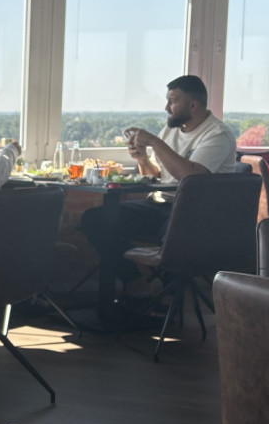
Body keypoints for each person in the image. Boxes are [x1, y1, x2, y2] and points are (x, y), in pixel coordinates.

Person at [79, 75, 238, 307]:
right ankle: (137, 283)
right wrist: (142, 158)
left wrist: (154, 141)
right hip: (162, 205)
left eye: (172, 101)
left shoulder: (217, 135)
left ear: (193, 105)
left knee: (170, 235)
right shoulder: (172, 129)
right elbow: (156, 174)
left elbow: (191, 176)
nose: (167, 108)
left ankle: (165, 293)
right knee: (97, 219)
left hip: (198, 216)